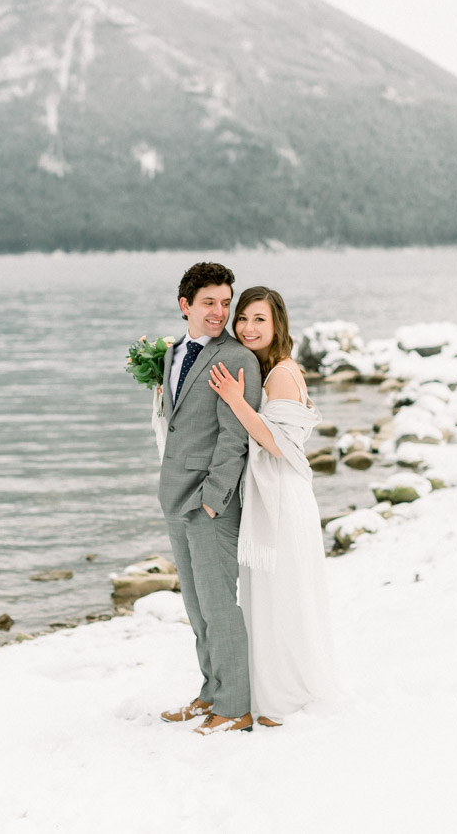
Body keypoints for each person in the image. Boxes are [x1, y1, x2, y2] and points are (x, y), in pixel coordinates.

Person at [209, 286, 334, 726]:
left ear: (278, 323)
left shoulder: (281, 373)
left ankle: (285, 700)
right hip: (273, 495)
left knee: (283, 596)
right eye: (242, 318)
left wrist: (235, 400)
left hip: (282, 499)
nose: (247, 327)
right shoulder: (264, 368)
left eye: (259, 319)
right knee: (271, 595)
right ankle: (274, 692)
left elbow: (277, 443)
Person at [158, 262, 262, 735]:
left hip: (210, 503)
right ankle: (210, 692)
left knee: (220, 606)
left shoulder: (238, 358)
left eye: (226, 302)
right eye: (210, 303)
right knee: (197, 608)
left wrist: (212, 501)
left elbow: (234, 437)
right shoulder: (173, 352)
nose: (221, 312)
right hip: (174, 497)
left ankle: (236, 707)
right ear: (186, 306)